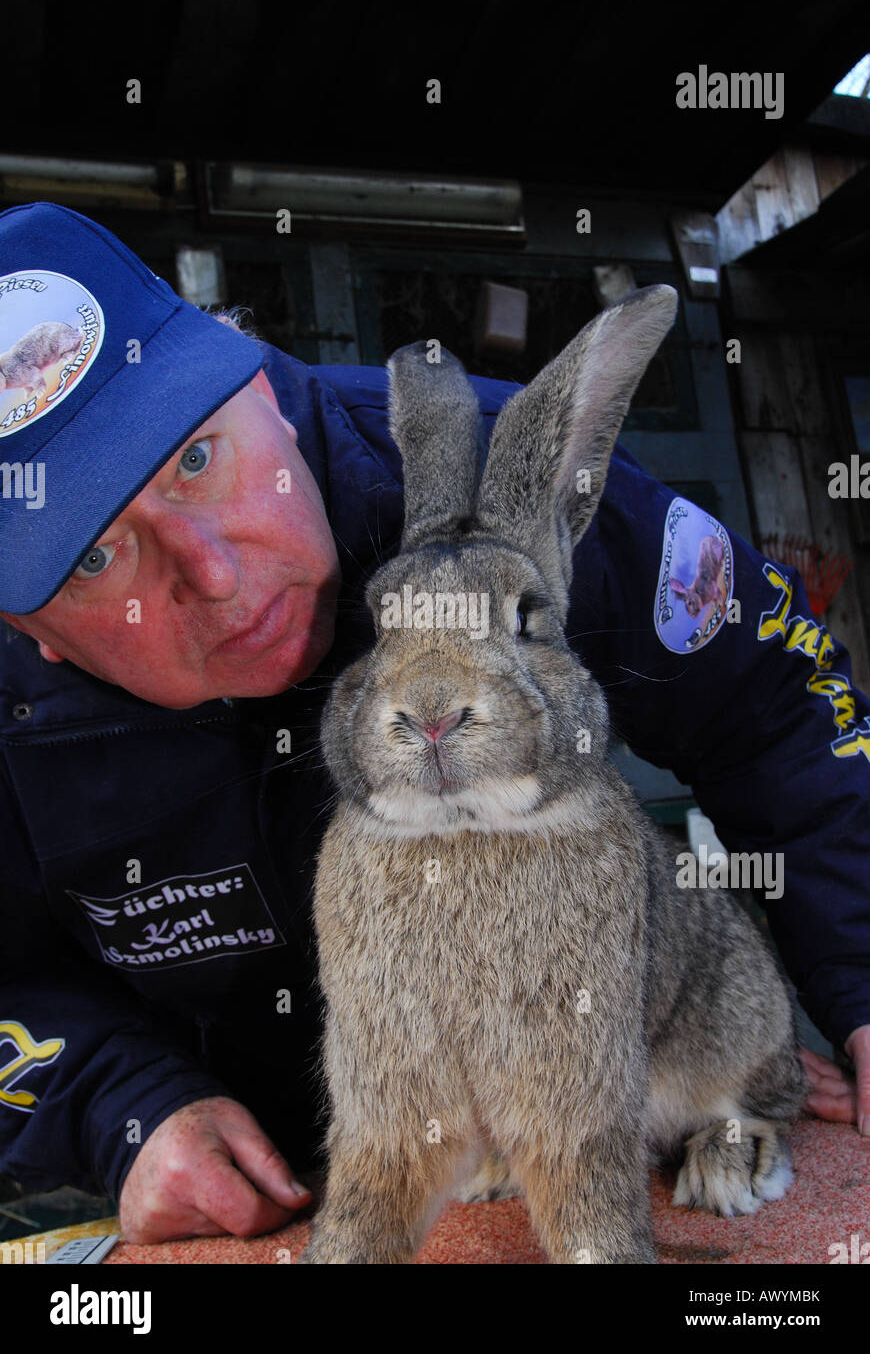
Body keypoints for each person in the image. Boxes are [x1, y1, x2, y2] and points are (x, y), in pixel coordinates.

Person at [0, 203, 867, 1246]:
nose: (214, 575)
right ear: (27, 629)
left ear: (260, 385)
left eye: (196, 460)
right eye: (94, 558)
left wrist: (859, 978)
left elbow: (776, 704)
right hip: (281, 1153)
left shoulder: (511, 492)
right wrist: (118, 1106)